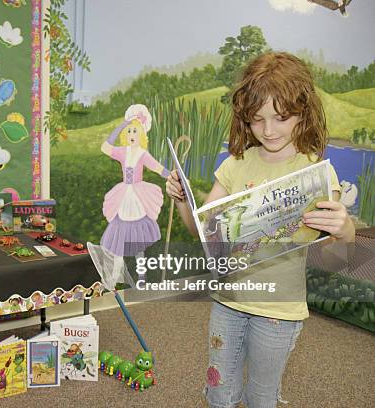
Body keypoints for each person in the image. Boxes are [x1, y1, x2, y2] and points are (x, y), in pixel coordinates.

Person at [166, 52, 355, 408]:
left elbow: (337, 259)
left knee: (261, 395)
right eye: (257, 119)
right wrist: (181, 201)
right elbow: (204, 234)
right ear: (245, 119)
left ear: (304, 111)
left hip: (279, 311)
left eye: (282, 117)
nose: (269, 130)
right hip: (228, 302)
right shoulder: (234, 165)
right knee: (219, 391)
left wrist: (344, 231)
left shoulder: (316, 174)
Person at [100, 104, 169, 260]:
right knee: (120, 233)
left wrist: (173, 175)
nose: (131, 134)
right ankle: (116, 275)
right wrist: (123, 124)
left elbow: (158, 168)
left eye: (135, 131)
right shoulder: (123, 151)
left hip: (138, 196)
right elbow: (105, 147)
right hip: (124, 195)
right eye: (129, 131)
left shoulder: (143, 154)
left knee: (139, 237)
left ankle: (141, 276)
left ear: (142, 134)